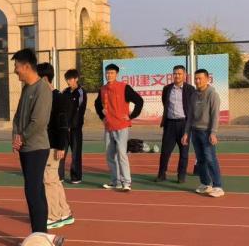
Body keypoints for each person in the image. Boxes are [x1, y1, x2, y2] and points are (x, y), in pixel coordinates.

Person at [11, 49, 52, 234]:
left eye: (16, 66)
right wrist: (15, 136)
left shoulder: (42, 89)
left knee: (34, 191)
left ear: (26, 66)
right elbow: (18, 116)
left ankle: (39, 234)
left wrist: (22, 137)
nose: (15, 70)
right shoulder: (26, 88)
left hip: (37, 148)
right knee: (34, 191)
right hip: (25, 148)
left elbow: (39, 121)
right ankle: (39, 233)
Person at [94, 63, 144, 192]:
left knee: (122, 154)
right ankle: (115, 182)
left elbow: (139, 101)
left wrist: (131, 116)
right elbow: (97, 104)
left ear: (116, 74)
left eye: (111, 73)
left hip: (121, 126)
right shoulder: (103, 89)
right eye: (107, 73)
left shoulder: (124, 87)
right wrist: (102, 117)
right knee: (110, 155)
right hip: (108, 126)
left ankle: (126, 182)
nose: (109, 75)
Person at [36, 63, 74, 230]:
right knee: (54, 180)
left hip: (53, 145)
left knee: (49, 181)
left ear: (45, 79)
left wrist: (61, 146)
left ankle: (53, 216)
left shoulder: (57, 98)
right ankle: (65, 212)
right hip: (49, 144)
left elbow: (63, 124)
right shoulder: (50, 97)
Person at [156, 65, 196, 183]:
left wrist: (189, 127)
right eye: (175, 73)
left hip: (184, 124)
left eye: (179, 74)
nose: (177, 76)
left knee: (184, 152)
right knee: (165, 151)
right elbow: (165, 103)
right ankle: (161, 174)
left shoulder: (190, 89)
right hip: (170, 124)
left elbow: (192, 107)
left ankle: (181, 176)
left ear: (184, 75)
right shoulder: (167, 89)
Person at [189, 68, 225, 197]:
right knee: (200, 160)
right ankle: (205, 184)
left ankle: (218, 186)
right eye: (196, 78)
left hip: (207, 132)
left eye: (200, 78)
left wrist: (213, 132)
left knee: (210, 159)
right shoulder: (193, 95)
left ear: (207, 79)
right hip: (195, 131)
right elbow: (190, 116)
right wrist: (186, 132)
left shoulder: (212, 95)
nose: (197, 81)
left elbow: (215, 116)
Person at [59, 69, 87, 184]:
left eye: (70, 79)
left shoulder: (81, 92)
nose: (68, 81)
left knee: (75, 153)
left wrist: (72, 125)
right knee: (61, 152)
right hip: (64, 129)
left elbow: (79, 111)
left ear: (76, 79)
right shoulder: (65, 92)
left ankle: (76, 177)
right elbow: (60, 109)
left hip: (75, 129)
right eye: (67, 79)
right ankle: (59, 176)